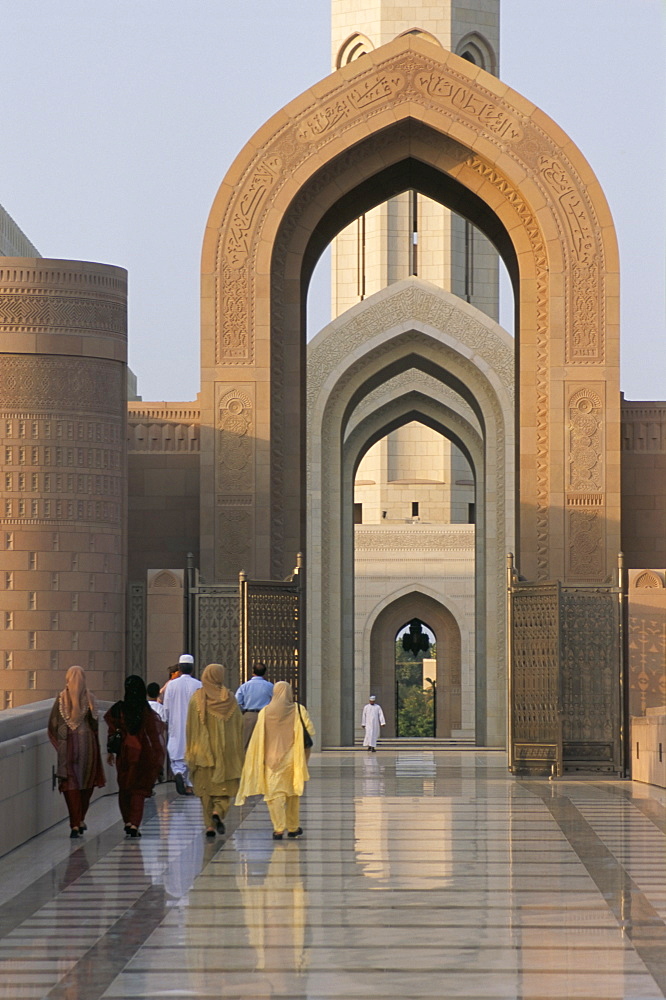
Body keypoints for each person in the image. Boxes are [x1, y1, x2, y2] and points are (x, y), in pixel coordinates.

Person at [236, 680, 315, 840]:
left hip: (271, 759)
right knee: (292, 793)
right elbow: (310, 730)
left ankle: (278, 828)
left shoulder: (265, 712)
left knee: (274, 794)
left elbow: (258, 738)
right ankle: (293, 827)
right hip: (292, 757)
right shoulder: (298, 709)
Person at [185, 663, 244, 838]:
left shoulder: (197, 699)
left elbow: (191, 727)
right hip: (225, 755)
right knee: (223, 790)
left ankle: (209, 826)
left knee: (205, 791)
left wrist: (192, 750)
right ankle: (218, 812)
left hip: (204, 753)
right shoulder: (230, 699)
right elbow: (238, 726)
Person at [48, 665, 106, 838]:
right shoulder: (90, 699)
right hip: (88, 746)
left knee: (70, 784)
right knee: (86, 783)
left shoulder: (61, 700)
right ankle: (80, 819)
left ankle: (74, 823)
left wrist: (61, 743)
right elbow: (95, 724)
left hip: (68, 748)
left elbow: (53, 725)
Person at [105, 675, 166, 837]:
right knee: (138, 789)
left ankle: (127, 820)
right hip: (142, 754)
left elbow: (111, 730)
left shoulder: (118, 709)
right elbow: (153, 735)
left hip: (124, 754)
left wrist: (110, 752)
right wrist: (157, 757)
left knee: (125, 787)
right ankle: (134, 823)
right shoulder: (145, 710)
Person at [162, 655, 202, 794]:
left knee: (177, 752)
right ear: (192, 669)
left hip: (175, 723)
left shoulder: (171, 685)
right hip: (193, 725)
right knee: (192, 754)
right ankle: (190, 785)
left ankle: (178, 773)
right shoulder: (198, 685)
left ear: (179, 668)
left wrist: (166, 720)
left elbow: (166, 707)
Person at [235, 661, 274, 750]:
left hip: (249, 714)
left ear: (253, 672)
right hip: (265, 715)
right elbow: (275, 700)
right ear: (265, 673)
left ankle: (246, 762)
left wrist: (244, 711)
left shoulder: (245, 686)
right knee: (264, 742)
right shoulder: (270, 686)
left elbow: (237, 701)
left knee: (246, 741)